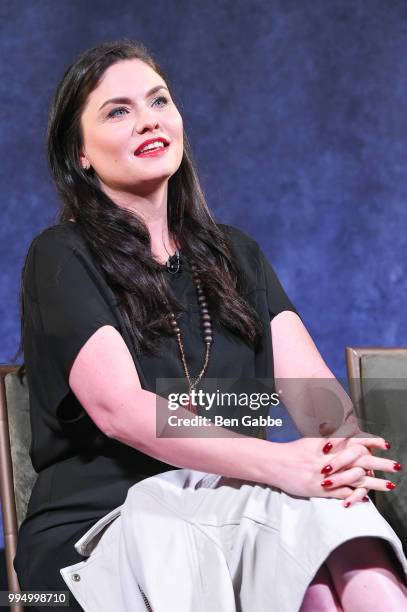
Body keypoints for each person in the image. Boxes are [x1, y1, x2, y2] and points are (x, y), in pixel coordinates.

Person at [12, 39, 407, 612]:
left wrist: (338, 458)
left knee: (341, 527)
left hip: (239, 505)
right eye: (118, 110)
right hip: (104, 530)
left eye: (159, 101)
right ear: (81, 155)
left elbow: (317, 401)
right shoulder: (61, 255)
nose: (148, 119)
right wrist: (284, 466)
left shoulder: (235, 256)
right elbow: (120, 408)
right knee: (300, 537)